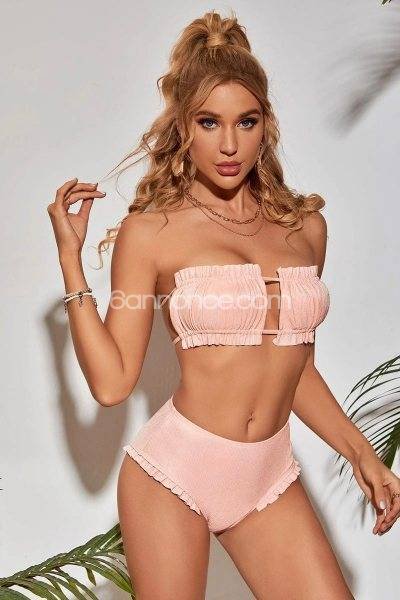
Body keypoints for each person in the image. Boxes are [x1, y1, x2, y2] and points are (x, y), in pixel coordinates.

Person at [47, 10, 400, 599]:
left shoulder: (305, 230)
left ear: (267, 125)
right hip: (173, 477)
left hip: (268, 476)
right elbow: (112, 384)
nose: (230, 145)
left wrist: (361, 453)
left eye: (246, 121)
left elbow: (294, 366)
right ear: (184, 127)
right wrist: (70, 260)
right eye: (209, 122)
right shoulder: (153, 232)